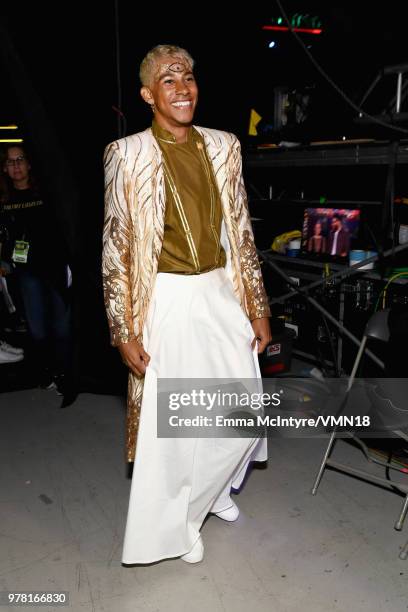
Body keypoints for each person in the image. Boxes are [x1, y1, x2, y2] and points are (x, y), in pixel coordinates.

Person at [102, 44, 272, 565]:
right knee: (177, 426)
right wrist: (122, 328)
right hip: (165, 297)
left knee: (243, 413)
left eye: (188, 77)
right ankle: (177, 526)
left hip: (220, 289)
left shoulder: (224, 145)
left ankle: (210, 494)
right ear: (148, 94)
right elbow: (117, 244)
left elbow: (240, 229)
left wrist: (258, 304)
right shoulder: (124, 153)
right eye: (168, 80)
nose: (182, 87)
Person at [0, 144, 72, 396]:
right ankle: (47, 373)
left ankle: (63, 375)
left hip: (54, 269)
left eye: (20, 159)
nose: (16, 165)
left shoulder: (49, 193)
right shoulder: (4, 200)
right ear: (5, 169)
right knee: (38, 330)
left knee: (62, 328)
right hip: (25, 274)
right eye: (10, 162)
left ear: (29, 164)